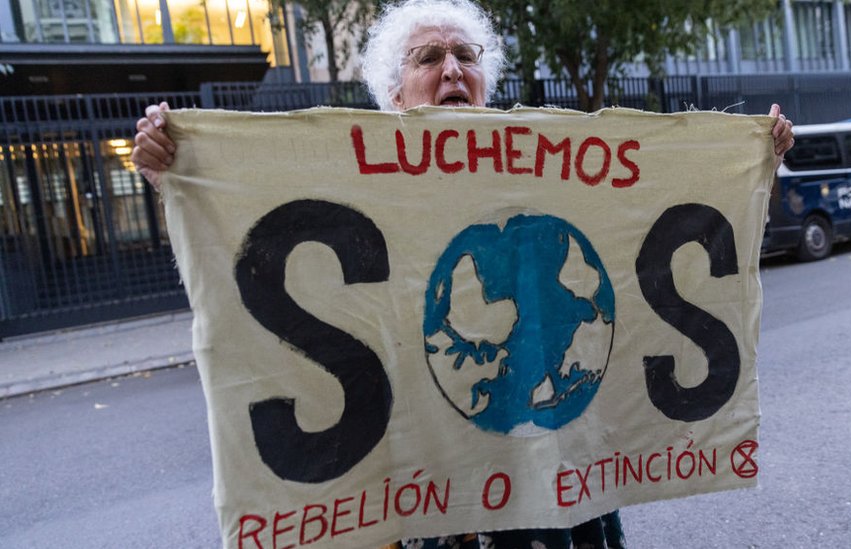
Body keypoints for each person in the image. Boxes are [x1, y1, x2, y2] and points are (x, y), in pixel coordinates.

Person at [132, 1, 793, 547]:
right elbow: (239, 253)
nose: (451, 68)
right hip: (428, 502)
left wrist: (746, 161)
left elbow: (642, 212)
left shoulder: (542, 166)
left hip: (550, 485)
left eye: (465, 56)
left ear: (484, 77)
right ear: (393, 91)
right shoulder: (350, 180)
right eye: (428, 58)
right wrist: (178, 173)